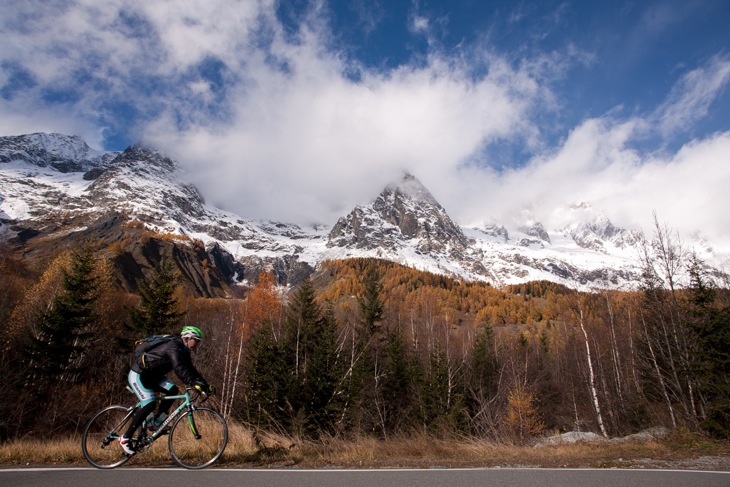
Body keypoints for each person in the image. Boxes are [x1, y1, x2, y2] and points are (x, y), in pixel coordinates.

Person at [119, 325, 215, 455]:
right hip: (139, 374)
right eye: (196, 340)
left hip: (153, 376)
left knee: (172, 390)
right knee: (150, 403)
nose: (197, 344)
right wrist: (192, 383)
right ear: (187, 338)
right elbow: (179, 368)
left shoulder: (184, 351)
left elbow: (191, 369)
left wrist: (204, 384)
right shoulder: (174, 347)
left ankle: (156, 423)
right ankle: (125, 438)